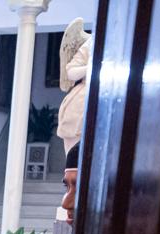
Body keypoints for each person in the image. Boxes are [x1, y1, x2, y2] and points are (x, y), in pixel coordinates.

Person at [57, 18, 92, 154]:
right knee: (74, 159)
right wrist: (91, 67)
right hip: (84, 97)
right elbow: (71, 71)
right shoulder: (92, 42)